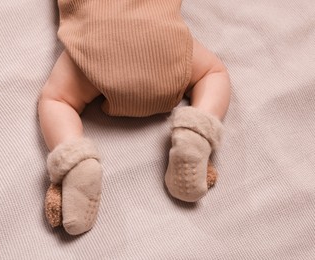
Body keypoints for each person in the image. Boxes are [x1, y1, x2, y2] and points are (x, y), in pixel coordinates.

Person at [38, 0, 230, 235]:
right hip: (163, 39)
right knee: (213, 73)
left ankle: (75, 162)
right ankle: (196, 133)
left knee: (56, 101)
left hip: (93, 46)